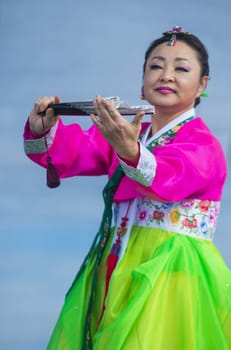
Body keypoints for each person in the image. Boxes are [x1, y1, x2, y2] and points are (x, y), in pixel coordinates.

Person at [23, 26, 231, 350]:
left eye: (181, 68)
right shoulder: (133, 132)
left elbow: (170, 176)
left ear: (202, 84)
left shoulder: (203, 144)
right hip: (115, 263)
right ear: (142, 80)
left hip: (170, 273)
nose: (166, 75)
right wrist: (46, 130)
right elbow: (81, 149)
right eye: (156, 66)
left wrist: (130, 151)